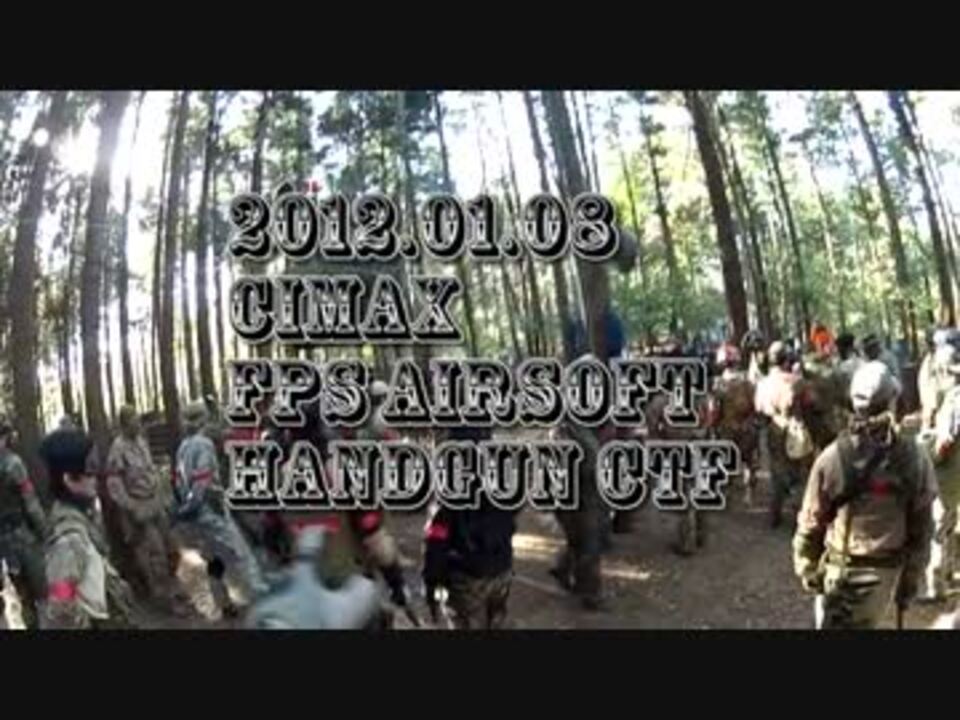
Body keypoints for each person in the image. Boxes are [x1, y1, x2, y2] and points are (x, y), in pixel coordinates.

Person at [793, 361, 935, 629]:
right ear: (892, 401)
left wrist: (808, 570)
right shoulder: (914, 458)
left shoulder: (833, 458)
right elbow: (922, 527)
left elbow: (810, 523)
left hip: (840, 577)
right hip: (887, 579)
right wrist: (910, 581)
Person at [173, 400, 267, 619]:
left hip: (195, 514)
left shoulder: (183, 446)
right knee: (240, 554)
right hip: (209, 509)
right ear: (202, 419)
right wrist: (196, 505)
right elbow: (202, 480)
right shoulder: (203, 444)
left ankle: (223, 602)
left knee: (214, 558)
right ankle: (265, 601)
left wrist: (185, 506)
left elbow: (178, 481)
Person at [39, 428, 137, 629]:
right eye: (89, 471)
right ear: (69, 479)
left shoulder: (83, 519)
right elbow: (62, 608)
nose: (96, 478)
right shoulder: (68, 540)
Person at [422, 425, 518, 629]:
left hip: (468, 575)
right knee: (496, 622)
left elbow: (437, 537)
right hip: (501, 567)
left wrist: (432, 582)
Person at [105, 405, 189, 616]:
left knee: (173, 548)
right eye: (133, 421)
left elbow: (151, 471)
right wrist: (132, 508)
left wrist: (163, 494)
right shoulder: (118, 449)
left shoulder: (142, 442)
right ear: (124, 425)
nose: (138, 424)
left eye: (138, 420)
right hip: (139, 508)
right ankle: (167, 599)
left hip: (155, 503)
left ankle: (174, 586)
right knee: (156, 554)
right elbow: (114, 485)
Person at [755, 341, 815, 528]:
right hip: (795, 430)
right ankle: (800, 517)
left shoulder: (763, 383)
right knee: (800, 474)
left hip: (773, 430)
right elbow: (812, 403)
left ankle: (775, 513)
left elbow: (759, 408)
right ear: (787, 359)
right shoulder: (797, 382)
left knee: (777, 471)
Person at [918, 335, 960, 603]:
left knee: (938, 526)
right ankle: (950, 570)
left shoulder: (955, 400)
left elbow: (946, 442)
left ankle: (936, 586)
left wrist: (927, 454)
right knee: (951, 522)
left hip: (949, 473)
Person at [0, 416, 47, 629]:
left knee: (17, 594)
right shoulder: (13, 464)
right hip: (19, 535)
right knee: (39, 589)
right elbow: (31, 502)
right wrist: (44, 530)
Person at [709, 343, 758, 505]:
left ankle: (727, 491)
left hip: (726, 428)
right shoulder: (747, 380)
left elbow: (714, 410)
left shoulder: (718, 384)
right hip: (747, 427)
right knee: (749, 461)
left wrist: (712, 426)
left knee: (726, 460)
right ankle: (749, 494)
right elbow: (755, 403)